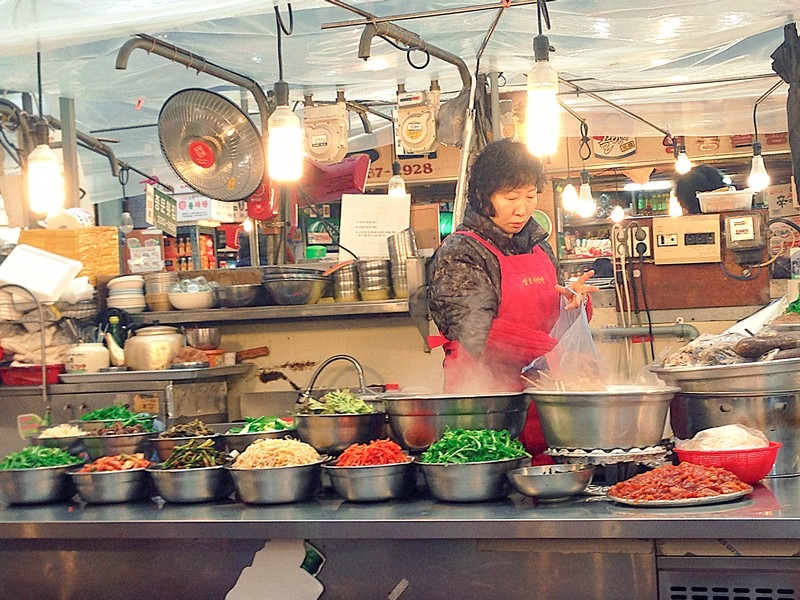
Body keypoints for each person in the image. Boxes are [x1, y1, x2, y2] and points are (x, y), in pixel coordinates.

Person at [427, 139, 597, 457]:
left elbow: (550, 320)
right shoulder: (462, 251)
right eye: (510, 197)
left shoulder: (538, 245)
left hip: (544, 400)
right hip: (487, 403)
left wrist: (575, 304)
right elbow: (475, 329)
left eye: (530, 196)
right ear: (483, 196)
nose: (522, 209)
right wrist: (552, 351)